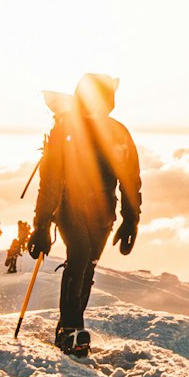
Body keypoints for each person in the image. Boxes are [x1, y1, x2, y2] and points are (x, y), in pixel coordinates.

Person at [22, 72, 140, 357]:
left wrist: (130, 217)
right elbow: (50, 182)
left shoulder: (117, 132)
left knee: (88, 265)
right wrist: (41, 225)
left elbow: (129, 178)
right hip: (69, 206)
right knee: (80, 255)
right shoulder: (66, 131)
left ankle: (72, 326)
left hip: (102, 212)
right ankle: (69, 330)